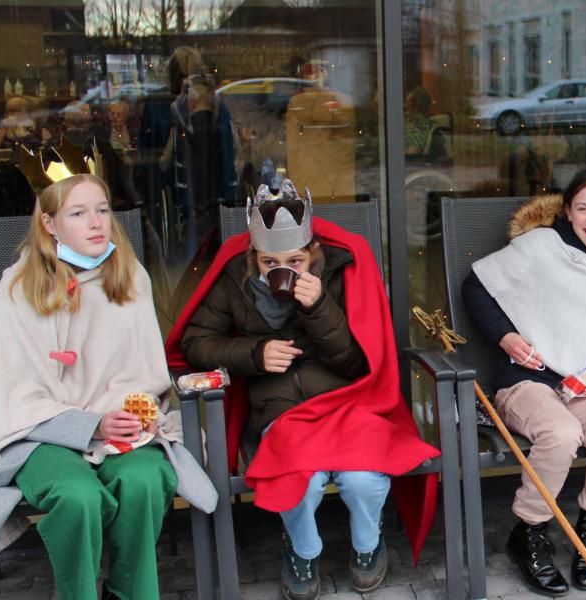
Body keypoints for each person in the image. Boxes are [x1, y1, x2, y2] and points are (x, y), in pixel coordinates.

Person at [0, 142, 216, 600]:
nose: (95, 223)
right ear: (49, 223)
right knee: (77, 495)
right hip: (39, 434)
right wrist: (86, 424)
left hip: (119, 428)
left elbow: (145, 374)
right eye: (78, 213)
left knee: (145, 479)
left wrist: (132, 414)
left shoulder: (131, 279)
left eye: (103, 210)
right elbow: (7, 394)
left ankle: (128, 592)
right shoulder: (17, 290)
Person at [168, 177, 439, 600]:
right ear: (253, 256)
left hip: (343, 402)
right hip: (279, 410)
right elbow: (196, 343)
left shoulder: (338, 271)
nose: (283, 270)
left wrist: (319, 308)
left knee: (362, 478)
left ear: (312, 253)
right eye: (269, 262)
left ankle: (368, 546)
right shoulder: (234, 280)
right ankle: (302, 551)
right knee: (302, 481)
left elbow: (356, 361)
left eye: (295, 260)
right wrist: (255, 354)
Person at [462, 166, 586, 595]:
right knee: (560, 434)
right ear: (567, 211)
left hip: (583, 384)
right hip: (526, 379)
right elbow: (476, 286)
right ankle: (528, 531)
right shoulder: (540, 246)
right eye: (583, 208)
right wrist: (505, 338)